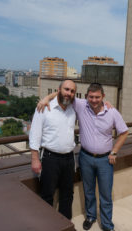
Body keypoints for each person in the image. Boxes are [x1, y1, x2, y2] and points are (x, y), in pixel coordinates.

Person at [39, 83, 128, 231]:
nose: (94, 100)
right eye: (91, 97)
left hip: (105, 160)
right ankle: (91, 216)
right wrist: (46, 98)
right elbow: (64, 94)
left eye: (97, 97)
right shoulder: (81, 105)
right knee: (88, 191)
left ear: (103, 97)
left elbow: (124, 132)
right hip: (85, 157)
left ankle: (107, 225)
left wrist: (114, 151)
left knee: (105, 194)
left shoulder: (112, 112)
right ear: (86, 97)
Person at [29, 79, 77, 220]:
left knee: (68, 195)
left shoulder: (73, 108)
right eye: (66, 89)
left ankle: (65, 225)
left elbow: (94, 103)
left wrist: (107, 104)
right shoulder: (44, 108)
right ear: (59, 90)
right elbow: (34, 135)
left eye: (72, 91)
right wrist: (35, 159)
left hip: (69, 159)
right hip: (50, 159)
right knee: (47, 196)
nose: (69, 93)